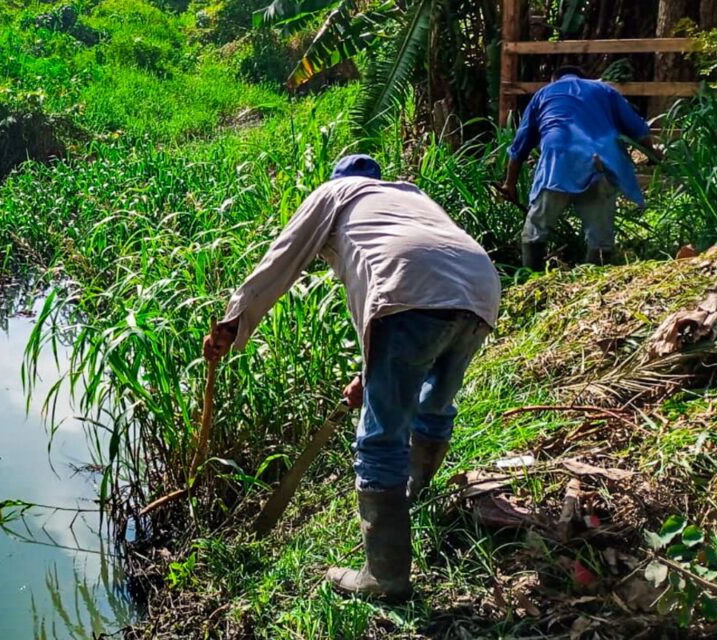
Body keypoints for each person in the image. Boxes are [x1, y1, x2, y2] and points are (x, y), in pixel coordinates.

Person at [202, 155, 501, 602]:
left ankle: (385, 578)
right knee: (434, 399)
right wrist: (370, 372)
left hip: (408, 294)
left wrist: (233, 323)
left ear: (338, 182)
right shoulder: (407, 195)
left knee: (380, 440)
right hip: (481, 290)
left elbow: (280, 262)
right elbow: (401, 275)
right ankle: (414, 492)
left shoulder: (334, 194)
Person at [499, 65, 663, 270]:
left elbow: (518, 148)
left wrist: (509, 184)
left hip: (558, 162)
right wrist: (654, 156)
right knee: (600, 238)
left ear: (554, 80)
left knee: (535, 230)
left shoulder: (544, 94)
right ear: (583, 78)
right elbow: (639, 130)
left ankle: (530, 280)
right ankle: (593, 285)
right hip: (599, 161)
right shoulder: (604, 90)